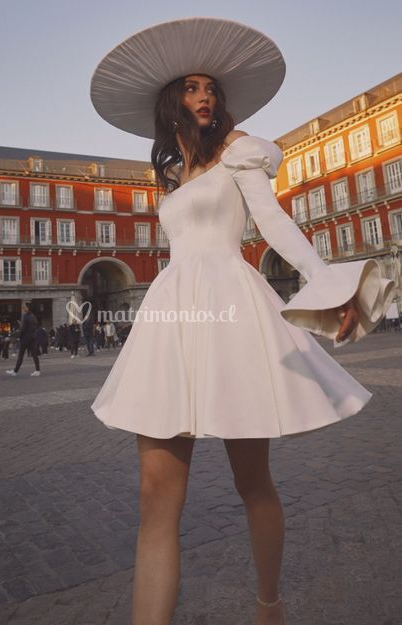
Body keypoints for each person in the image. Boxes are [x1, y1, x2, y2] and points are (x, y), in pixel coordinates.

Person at [88, 17, 396, 625]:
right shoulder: (170, 176)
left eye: (211, 89)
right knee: (155, 499)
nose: (205, 97)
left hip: (229, 307)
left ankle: (268, 603)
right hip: (174, 314)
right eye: (192, 88)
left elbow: (275, 224)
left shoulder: (240, 151)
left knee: (252, 481)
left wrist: (323, 281)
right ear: (170, 102)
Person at [6, 302, 41, 376]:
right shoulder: (33, 316)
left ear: (28, 308)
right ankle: (37, 370)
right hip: (32, 338)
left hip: (25, 338)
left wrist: (16, 337)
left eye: (24, 307)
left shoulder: (25, 316)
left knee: (21, 355)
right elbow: (36, 327)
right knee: (34, 355)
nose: (23, 308)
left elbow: (22, 329)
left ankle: (15, 371)